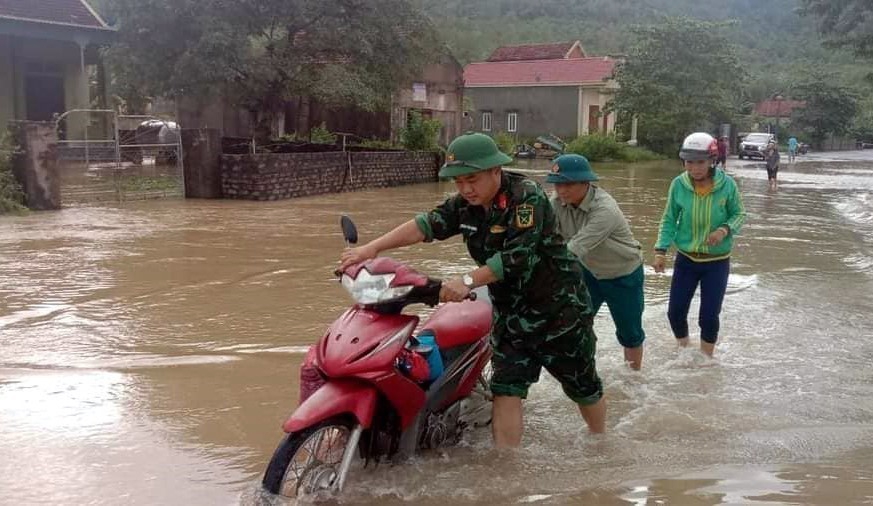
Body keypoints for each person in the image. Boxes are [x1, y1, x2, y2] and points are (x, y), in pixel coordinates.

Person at [339, 133, 606, 447]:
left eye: (472, 179)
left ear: (496, 171)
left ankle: (601, 443)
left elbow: (516, 258)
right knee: (507, 389)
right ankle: (507, 470)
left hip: (560, 310)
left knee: (582, 386)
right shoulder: (465, 205)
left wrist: (465, 281)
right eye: (458, 182)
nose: (465, 189)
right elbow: (426, 225)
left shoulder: (526, 197)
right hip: (510, 313)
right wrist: (371, 249)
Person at [548, 154, 646, 370]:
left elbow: (571, 250)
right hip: (588, 271)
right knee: (574, 325)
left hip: (623, 274)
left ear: (586, 183)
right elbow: (540, 237)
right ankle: (582, 370)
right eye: (556, 184)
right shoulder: (555, 204)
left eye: (567, 184)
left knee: (630, 333)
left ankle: (634, 381)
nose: (561, 190)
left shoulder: (605, 210)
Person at [652, 132, 746, 358]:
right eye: (689, 162)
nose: (694, 168)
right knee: (675, 313)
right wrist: (660, 250)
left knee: (709, 316)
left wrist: (724, 230)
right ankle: (683, 351)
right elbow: (668, 219)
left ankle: (706, 361)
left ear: (712, 160)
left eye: (700, 162)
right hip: (686, 260)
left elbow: (740, 214)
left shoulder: (727, 185)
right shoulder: (678, 185)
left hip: (717, 263)